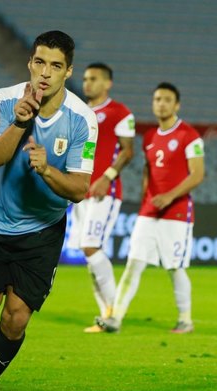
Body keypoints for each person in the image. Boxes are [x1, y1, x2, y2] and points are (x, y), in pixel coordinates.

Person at [0, 30, 98, 391]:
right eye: (40, 62)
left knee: (16, 319)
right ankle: (1, 281)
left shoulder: (83, 120)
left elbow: (80, 188)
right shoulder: (2, 100)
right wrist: (20, 123)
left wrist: (48, 171)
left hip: (40, 232)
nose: (45, 73)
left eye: (56, 66)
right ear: (30, 63)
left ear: (68, 72)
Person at [99, 82, 205, 334]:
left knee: (174, 267)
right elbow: (148, 170)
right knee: (133, 264)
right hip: (149, 212)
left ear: (176, 104)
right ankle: (115, 318)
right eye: (157, 99)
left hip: (176, 213)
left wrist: (168, 196)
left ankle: (185, 320)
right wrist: (147, 197)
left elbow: (197, 174)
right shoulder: (149, 137)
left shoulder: (189, 136)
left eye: (167, 99)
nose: (161, 103)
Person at [67, 63, 135, 333]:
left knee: (91, 247)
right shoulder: (79, 113)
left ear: (107, 84)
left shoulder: (120, 112)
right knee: (88, 252)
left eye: (93, 79)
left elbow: (128, 151)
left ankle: (114, 313)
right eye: (85, 79)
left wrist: (107, 176)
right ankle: (106, 313)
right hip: (81, 192)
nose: (87, 83)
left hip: (104, 193)